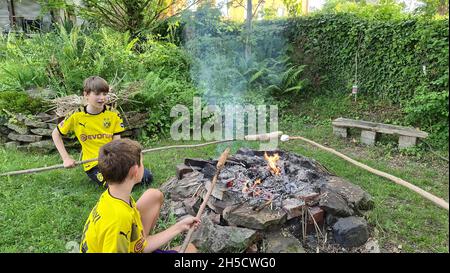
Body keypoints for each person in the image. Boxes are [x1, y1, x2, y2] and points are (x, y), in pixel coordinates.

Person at [80, 138, 199, 253]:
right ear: (135, 171)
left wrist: (179, 227)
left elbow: (141, 246)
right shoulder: (119, 220)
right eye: (142, 162)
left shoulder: (113, 197)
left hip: (129, 244)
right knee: (191, 250)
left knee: (153, 195)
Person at [51, 76, 153, 187]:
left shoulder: (113, 114)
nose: (102, 98)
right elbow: (55, 134)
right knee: (114, 185)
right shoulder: (76, 116)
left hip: (113, 159)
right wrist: (66, 158)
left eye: (104, 94)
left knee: (146, 177)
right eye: (97, 94)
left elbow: (116, 142)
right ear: (86, 95)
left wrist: (123, 158)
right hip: (93, 163)